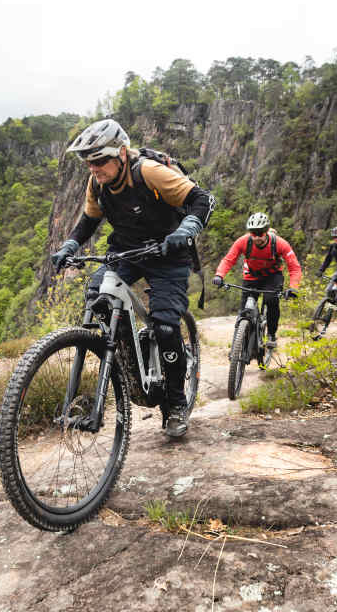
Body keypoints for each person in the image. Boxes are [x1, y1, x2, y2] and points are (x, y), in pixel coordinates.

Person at [50, 118, 215, 438]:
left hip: (168, 255)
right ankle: (131, 362)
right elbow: (89, 220)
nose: (93, 168)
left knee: (166, 326)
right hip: (125, 253)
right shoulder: (97, 182)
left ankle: (176, 402)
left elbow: (202, 199)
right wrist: (70, 243)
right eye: (88, 162)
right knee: (97, 296)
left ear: (122, 153)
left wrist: (186, 230)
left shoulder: (149, 172)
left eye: (99, 160)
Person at [211, 212, 302, 355]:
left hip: (272, 276)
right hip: (251, 276)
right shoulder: (243, 241)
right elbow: (229, 259)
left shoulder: (279, 243)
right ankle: (240, 346)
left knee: (271, 300)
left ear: (266, 232)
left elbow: (294, 267)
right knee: (244, 311)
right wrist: (219, 275)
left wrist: (293, 287)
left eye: (260, 233)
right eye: (253, 233)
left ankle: (271, 334)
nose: (257, 237)